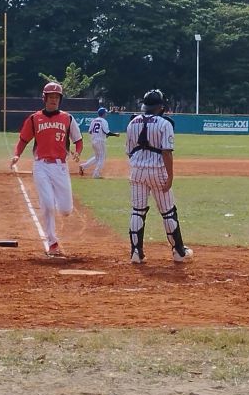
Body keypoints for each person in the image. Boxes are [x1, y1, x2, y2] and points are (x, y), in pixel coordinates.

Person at [9, 82, 84, 256]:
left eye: (56, 97)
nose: (53, 100)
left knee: (65, 210)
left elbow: (78, 140)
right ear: (44, 98)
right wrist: (17, 155)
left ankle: (54, 202)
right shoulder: (35, 118)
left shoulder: (68, 118)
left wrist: (78, 153)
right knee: (48, 205)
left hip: (60, 167)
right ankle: (52, 242)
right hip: (41, 165)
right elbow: (23, 140)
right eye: (50, 97)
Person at [124, 89, 193, 264]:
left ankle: (135, 253)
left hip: (137, 170)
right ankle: (179, 252)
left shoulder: (132, 123)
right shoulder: (165, 123)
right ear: (161, 106)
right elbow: (167, 153)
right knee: (168, 211)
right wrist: (170, 176)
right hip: (158, 170)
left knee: (137, 211)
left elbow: (129, 151)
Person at [79, 107, 118, 178]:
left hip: (93, 140)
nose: (106, 114)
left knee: (97, 157)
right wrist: (115, 134)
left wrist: (101, 134)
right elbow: (107, 132)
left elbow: (90, 131)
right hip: (100, 141)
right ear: (103, 114)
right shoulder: (104, 121)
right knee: (102, 157)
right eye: (105, 112)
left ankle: (83, 166)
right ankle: (96, 174)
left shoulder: (94, 120)